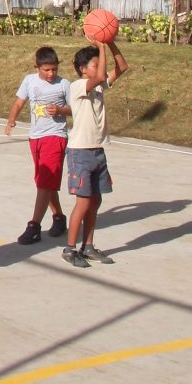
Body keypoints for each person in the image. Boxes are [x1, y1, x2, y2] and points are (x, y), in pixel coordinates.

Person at [62, 37, 128, 268]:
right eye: (95, 64)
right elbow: (99, 76)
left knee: (96, 200)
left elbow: (122, 67)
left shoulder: (99, 86)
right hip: (80, 152)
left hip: (97, 150)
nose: (100, 67)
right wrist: (100, 46)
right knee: (83, 202)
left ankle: (88, 246)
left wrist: (110, 43)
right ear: (83, 69)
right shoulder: (78, 85)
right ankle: (70, 249)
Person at [5, 45, 71, 244]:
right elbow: (19, 102)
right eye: (46, 70)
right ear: (37, 68)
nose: (51, 74)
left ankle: (34, 226)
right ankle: (58, 217)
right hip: (36, 137)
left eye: (54, 69)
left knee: (44, 183)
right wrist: (11, 120)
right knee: (44, 182)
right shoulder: (29, 81)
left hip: (55, 136)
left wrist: (60, 111)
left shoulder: (64, 84)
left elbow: (75, 108)